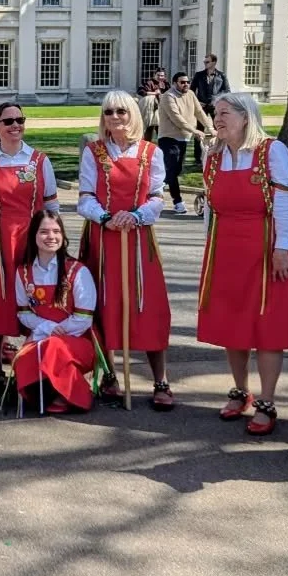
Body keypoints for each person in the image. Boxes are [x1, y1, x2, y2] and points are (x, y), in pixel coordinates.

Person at [197, 93, 288, 435]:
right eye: (216, 112)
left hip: (266, 248)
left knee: (266, 327)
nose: (218, 118)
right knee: (234, 324)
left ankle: (267, 400)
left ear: (246, 117)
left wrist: (284, 248)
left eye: (225, 112)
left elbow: (286, 203)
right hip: (225, 250)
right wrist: (209, 250)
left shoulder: (271, 151)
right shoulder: (213, 157)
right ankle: (240, 390)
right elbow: (211, 210)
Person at [78, 90, 172, 409]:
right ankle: (110, 374)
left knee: (148, 304)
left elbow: (158, 197)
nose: (114, 117)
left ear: (133, 113)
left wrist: (134, 216)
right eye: (108, 112)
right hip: (104, 237)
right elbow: (85, 196)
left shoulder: (150, 152)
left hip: (138, 238)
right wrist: (105, 218)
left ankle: (161, 380)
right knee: (106, 303)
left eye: (121, 111)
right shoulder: (94, 151)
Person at [0, 102, 60, 365]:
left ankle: (40, 360)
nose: (15, 126)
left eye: (20, 120)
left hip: (35, 240)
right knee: (1, 298)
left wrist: (54, 240)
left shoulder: (40, 161)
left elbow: (52, 206)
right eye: (8, 122)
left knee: (39, 295)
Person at [12, 209, 98, 415]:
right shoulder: (23, 272)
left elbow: (84, 318)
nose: (51, 237)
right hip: (42, 336)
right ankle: (50, 391)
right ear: (33, 236)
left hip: (78, 340)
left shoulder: (77, 270)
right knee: (27, 357)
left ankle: (74, 395)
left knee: (53, 349)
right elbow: (23, 312)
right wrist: (46, 328)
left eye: (56, 231)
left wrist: (55, 332)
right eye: (44, 232)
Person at [157, 72, 212, 214]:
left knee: (175, 170)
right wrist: (195, 131)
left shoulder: (191, 94)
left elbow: (199, 112)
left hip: (183, 137)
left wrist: (210, 127)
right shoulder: (168, 97)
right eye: (182, 82)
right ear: (175, 83)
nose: (186, 84)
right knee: (172, 170)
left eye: (187, 82)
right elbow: (177, 118)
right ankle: (178, 202)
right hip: (168, 138)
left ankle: (156, 187)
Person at [138, 69, 167, 142]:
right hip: (150, 110)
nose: (160, 77)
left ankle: (163, 147)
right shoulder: (149, 83)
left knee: (161, 129)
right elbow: (140, 92)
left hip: (162, 109)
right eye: (158, 75)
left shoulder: (166, 84)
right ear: (155, 75)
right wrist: (154, 93)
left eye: (162, 75)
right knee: (149, 127)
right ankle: (147, 146)